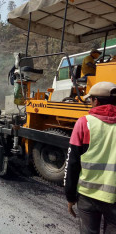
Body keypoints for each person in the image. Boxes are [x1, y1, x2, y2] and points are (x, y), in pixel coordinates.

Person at [64, 82, 116, 233]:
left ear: (96, 101)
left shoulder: (84, 123)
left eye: (90, 100)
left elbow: (72, 163)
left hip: (88, 196)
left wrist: (70, 196)